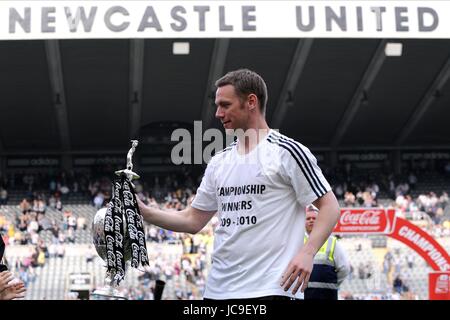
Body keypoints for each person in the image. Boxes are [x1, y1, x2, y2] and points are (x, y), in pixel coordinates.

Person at [138, 69, 340, 299]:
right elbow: (192, 220)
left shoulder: (287, 152)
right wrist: (143, 211)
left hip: (271, 289)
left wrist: (308, 252)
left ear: (251, 101)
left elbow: (329, 206)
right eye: (217, 105)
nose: (218, 113)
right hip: (218, 292)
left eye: (225, 105)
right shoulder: (219, 161)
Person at [303, 205, 349, 300]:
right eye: (308, 218)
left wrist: (331, 283)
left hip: (326, 295)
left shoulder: (332, 242)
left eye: (314, 218)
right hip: (303, 295)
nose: (311, 220)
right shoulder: (298, 241)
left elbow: (344, 268)